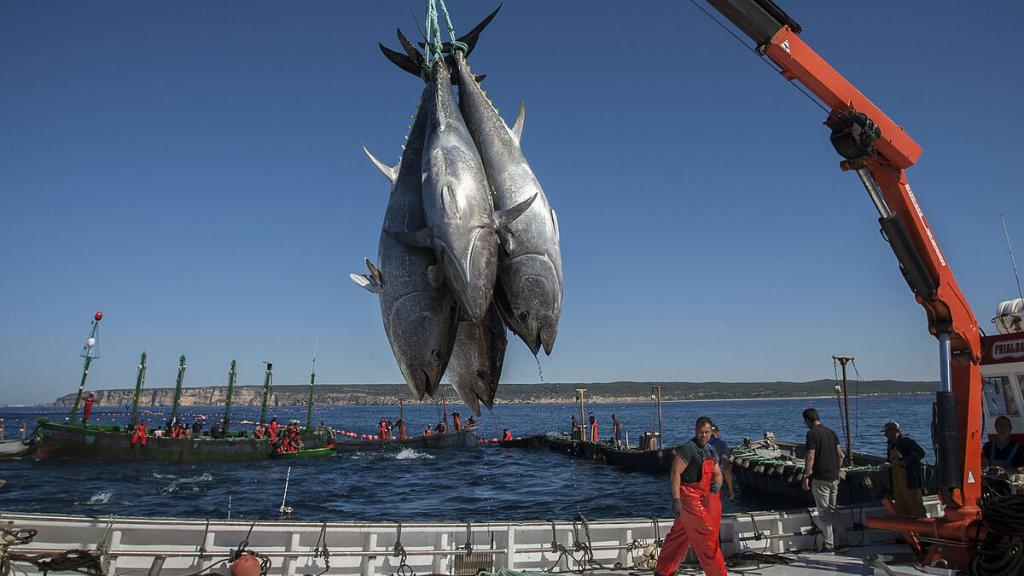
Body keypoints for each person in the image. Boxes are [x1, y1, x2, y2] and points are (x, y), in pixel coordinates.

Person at [654, 416, 726, 576]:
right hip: (689, 499)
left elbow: (717, 473)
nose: (704, 435)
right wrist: (676, 500)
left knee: (679, 536)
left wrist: (718, 483)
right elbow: (675, 473)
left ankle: (663, 572)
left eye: (707, 432)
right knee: (707, 536)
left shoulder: (710, 450)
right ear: (695, 431)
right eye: (701, 432)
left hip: (703, 497)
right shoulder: (688, 449)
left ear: (711, 432)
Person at [801, 408, 845, 552]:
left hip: (821, 478)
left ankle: (829, 544)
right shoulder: (831, 432)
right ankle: (843, 541)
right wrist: (837, 472)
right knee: (833, 509)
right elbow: (840, 455)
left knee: (824, 512)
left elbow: (810, 456)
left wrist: (806, 476)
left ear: (807, 420)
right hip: (834, 477)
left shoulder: (811, 434)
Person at [882, 421, 927, 517]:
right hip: (897, 482)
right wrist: (887, 465)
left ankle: (923, 525)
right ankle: (906, 526)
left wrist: (906, 461)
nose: (885, 434)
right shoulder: (890, 445)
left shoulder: (906, 441)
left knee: (916, 507)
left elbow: (921, 453)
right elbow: (891, 461)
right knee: (901, 509)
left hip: (910, 481)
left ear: (895, 431)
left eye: (887, 432)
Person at [709, 424, 735, 501]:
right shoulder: (721, 443)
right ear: (718, 433)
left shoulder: (699, 443)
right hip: (714, 481)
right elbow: (726, 468)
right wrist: (731, 490)